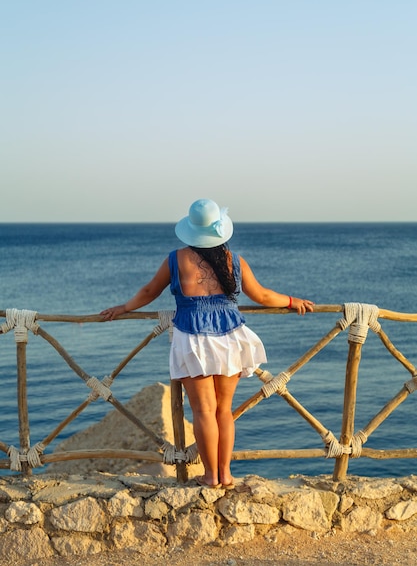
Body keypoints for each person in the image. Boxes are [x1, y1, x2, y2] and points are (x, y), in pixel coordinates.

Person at [100, 198, 314, 488]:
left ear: (190, 230)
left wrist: (123, 308)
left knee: (203, 411)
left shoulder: (176, 259)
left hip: (192, 337)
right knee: (223, 411)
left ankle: (210, 475)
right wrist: (293, 301)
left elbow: (150, 291)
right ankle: (225, 474)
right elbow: (262, 296)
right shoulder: (234, 261)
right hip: (229, 336)